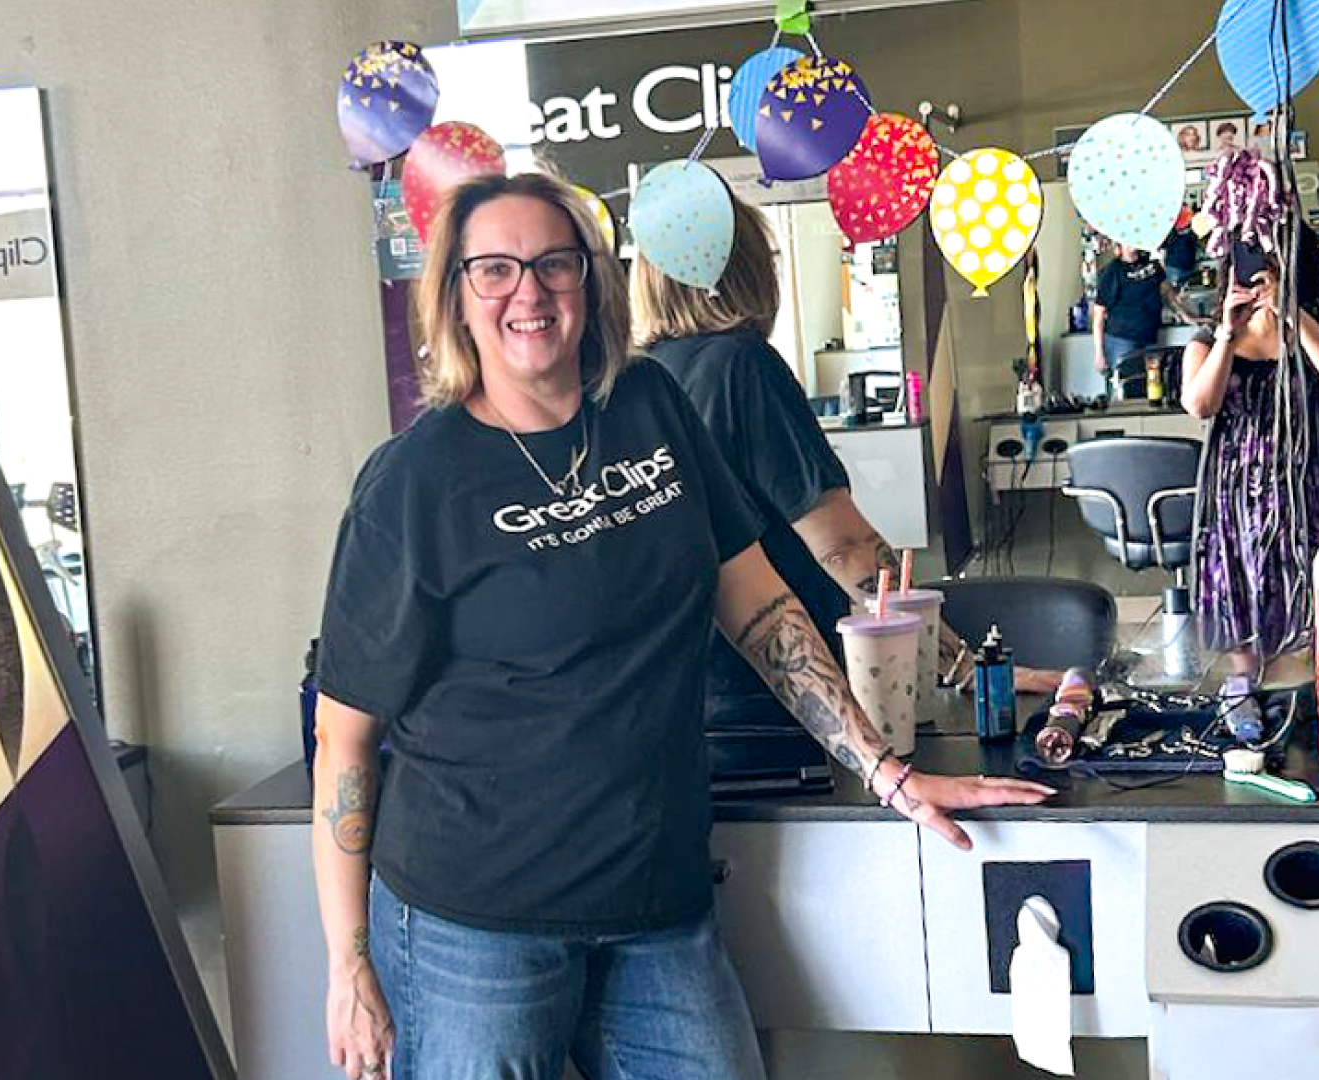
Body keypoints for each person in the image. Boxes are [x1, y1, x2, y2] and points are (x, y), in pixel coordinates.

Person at [311, 171, 1054, 1080]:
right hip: (475, 924)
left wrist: (889, 775)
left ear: (592, 279)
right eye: (495, 270)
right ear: (456, 296)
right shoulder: (414, 483)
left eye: (554, 264)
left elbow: (761, 608)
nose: (529, 292)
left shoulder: (652, 408)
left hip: (655, 897)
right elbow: (343, 741)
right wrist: (348, 961)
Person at [631, 194, 973, 734]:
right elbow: (844, 547)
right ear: (744, 269)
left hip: (693, 695)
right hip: (782, 693)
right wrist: (962, 666)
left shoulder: (639, 380)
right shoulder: (743, 365)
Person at [1179, 222, 1319, 675]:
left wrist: (1290, 310)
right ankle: (1245, 692)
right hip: (1235, 490)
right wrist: (1227, 336)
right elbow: (1199, 404)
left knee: (1306, 591)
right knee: (1240, 586)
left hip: (1303, 487)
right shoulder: (1207, 339)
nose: (1260, 276)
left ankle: (1309, 694)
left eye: (1274, 264)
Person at [1091, 243, 1191, 381]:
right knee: (1124, 385)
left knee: (1150, 385)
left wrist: (1185, 315)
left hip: (1148, 336)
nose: (1132, 244)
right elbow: (1098, 314)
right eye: (1127, 241)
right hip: (1122, 338)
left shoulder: (1153, 266)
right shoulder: (1112, 271)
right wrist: (1098, 353)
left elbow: (1167, 294)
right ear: (1119, 246)